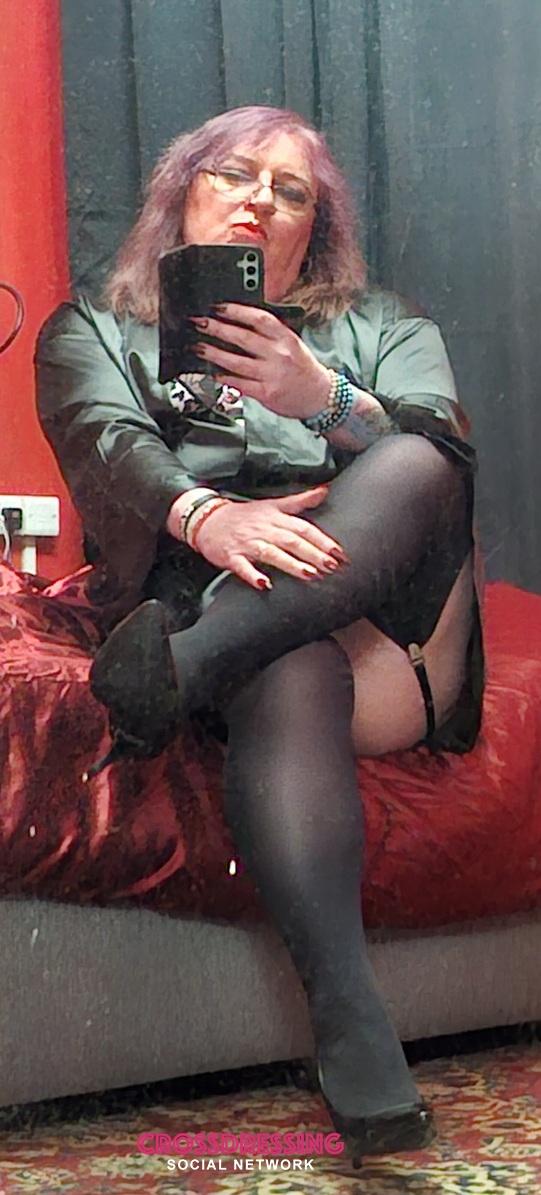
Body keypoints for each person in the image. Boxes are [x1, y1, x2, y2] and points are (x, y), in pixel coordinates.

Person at [35, 104, 484, 1165]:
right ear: (180, 191)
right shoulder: (92, 328)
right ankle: (353, 1031)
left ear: (312, 230)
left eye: (290, 193)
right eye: (233, 176)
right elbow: (106, 441)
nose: (258, 203)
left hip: (387, 625)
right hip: (233, 613)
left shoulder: (385, 325)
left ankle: (178, 672)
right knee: (286, 657)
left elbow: (442, 459)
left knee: (419, 457)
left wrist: (322, 397)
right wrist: (208, 516)